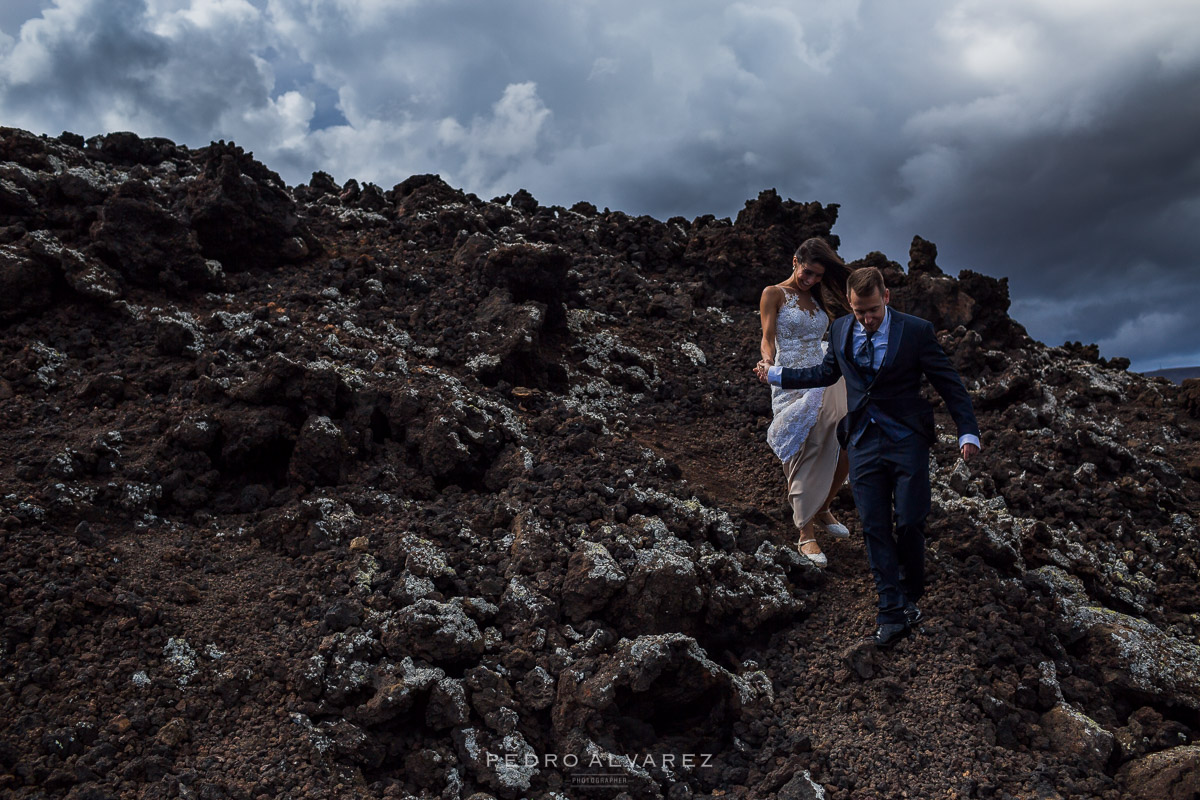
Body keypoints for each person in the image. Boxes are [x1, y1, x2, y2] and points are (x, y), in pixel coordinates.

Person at [755, 266, 981, 648]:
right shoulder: (842, 330)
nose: (867, 318)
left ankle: (911, 594)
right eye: (860, 311)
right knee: (874, 526)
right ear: (850, 304)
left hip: (906, 438)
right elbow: (826, 372)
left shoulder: (915, 331)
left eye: (873, 310)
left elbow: (949, 383)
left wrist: (967, 429)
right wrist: (778, 376)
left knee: (909, 521)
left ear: (886, 297)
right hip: (862, 439)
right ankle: (890, 612)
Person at [758, 237, 852, 567]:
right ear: (795, 260)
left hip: (824, 372)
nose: (810, 280)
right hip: (790, 378)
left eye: (817, 276)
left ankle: (823, 505)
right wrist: (767, 364)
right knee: (806, 445)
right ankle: (805, 532)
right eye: (807, 272)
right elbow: (767, 338)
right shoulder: (774, 293)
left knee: (847, 436)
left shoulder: (818, 299)